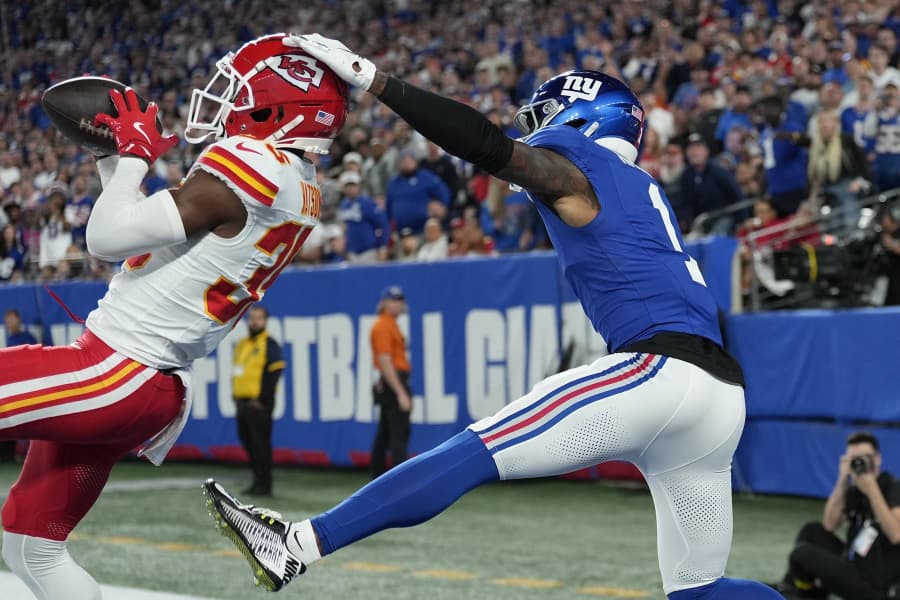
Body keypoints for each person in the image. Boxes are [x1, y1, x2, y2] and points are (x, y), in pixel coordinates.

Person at [202, 33, 783, 600]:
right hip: (720, 396)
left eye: (546, 119)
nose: (535, 135)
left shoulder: (584, 167)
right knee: (702, 591)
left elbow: (484, 144)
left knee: (473, 452)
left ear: (583, 120)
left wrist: (376, 81)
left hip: (660, 374)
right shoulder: (638, 186)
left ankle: (296, 545)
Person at [0, 32, 348, 600]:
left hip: (117, 369)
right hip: (146, 384)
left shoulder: (256, 164)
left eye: (239, 93)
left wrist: (135, 158)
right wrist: (113, 157)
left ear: (276, 107)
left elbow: (107, 238)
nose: (224, 103)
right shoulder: (298, 183)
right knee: (32, 547)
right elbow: (139, 224)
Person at [771, 432, 900, 599]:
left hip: (876, 584)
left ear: (878, 459)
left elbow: (896, 534)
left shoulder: (893, 487)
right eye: (855, 458)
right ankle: (794, 588)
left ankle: (797, 593)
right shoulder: (855, 490)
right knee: (812, 531)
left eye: (866, 457)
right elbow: (829, 524)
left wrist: (872, 489)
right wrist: (842, 480)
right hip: (853, 564)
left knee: (802, 555)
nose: (861, 463)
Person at [232, 305, 285, 497]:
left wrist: (262, 399)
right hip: (243, 402)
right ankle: (256, 482)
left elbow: (275, 372)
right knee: (248, 442)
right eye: (251, 318)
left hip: (259, 404)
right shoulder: (243, 344)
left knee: (260, 444)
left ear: (265, 321)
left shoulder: (269, 344)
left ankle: (265, 485)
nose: (254, 322)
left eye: (258, 318)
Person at [368, 286, 412, 478]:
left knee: (385, 433)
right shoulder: (382, 325)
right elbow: (385, 361)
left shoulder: (390, 324)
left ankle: (377, 476)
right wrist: (400, 392)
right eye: (393, 300)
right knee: (398, 433)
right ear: (384, 302)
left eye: (399, 300)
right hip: (393, 381)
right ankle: (400, 478)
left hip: (389, 381)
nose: (397, 304)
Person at [0, 309, 38, 463]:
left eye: (11, 320)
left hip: (30, 386)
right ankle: (12, 452)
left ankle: (33, 454)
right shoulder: (9, 340)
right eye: (7, 321)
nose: (9, 324)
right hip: (14, 387)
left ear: (18, 319)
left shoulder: (28, 338)